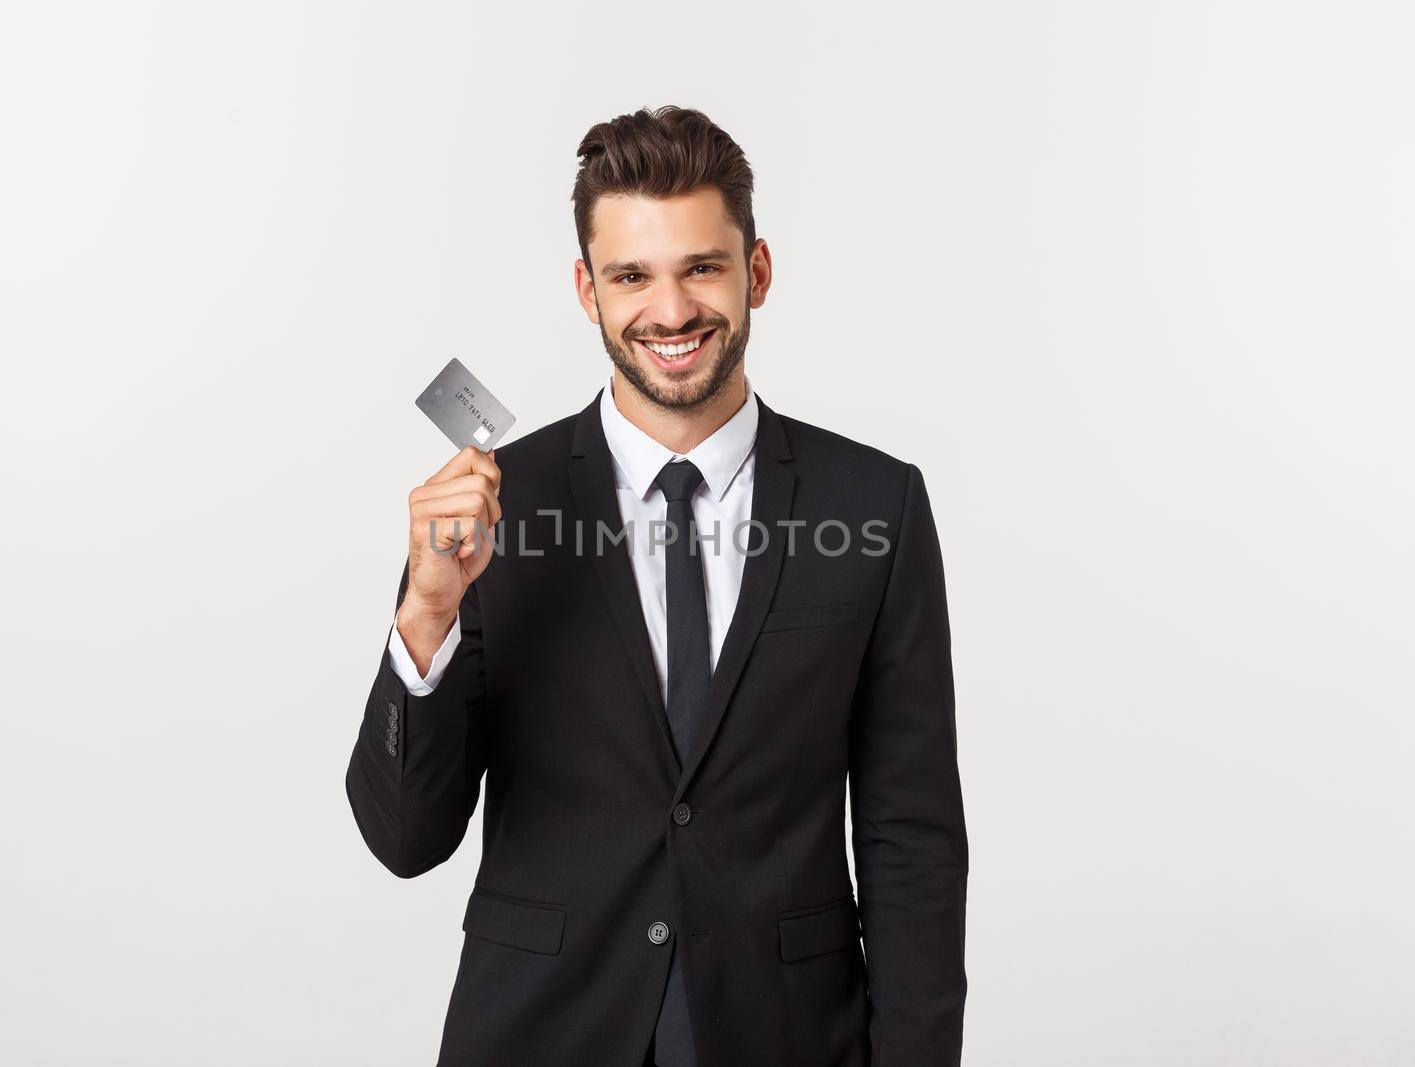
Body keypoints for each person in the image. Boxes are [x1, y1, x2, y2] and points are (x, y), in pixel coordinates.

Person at [346, 105, 968, 1066]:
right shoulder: (490, 509)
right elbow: (405, 837)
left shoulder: (875, 504)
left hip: (791, 1034)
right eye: (633, 275)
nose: (671, 311)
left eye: (702, 268)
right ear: (587, 290)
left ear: (756, 271)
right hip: (541, 1030)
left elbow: (913, 840)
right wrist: (427, 611)